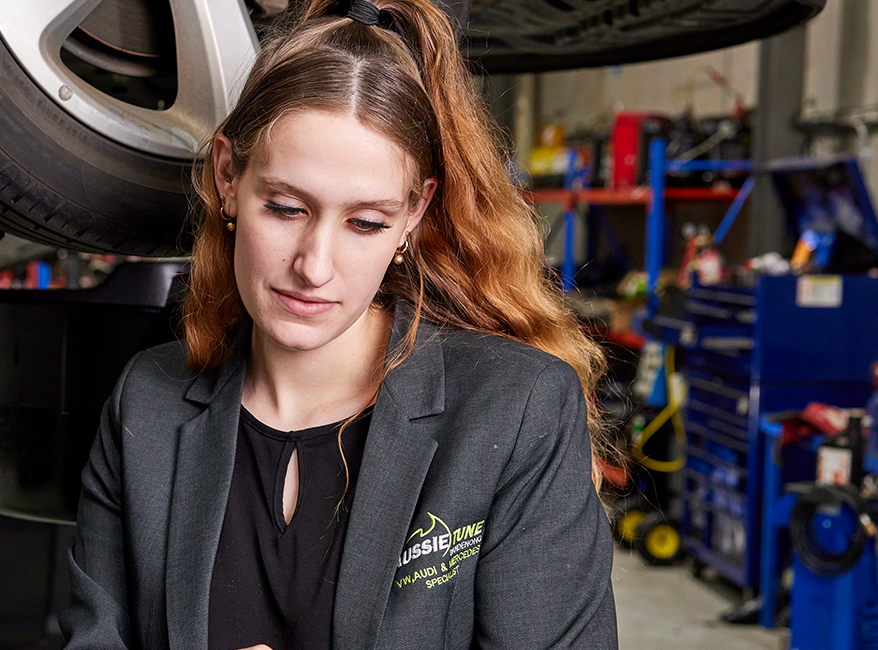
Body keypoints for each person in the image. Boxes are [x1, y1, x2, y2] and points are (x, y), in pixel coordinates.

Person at [61, 0, 618, 648]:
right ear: (227, 177)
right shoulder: (147, 403)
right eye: (287, 207)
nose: (315, 267)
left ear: (414, 215)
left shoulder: (516, 410)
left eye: (365, 223)